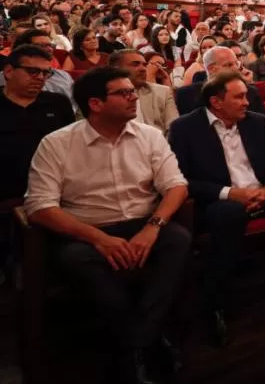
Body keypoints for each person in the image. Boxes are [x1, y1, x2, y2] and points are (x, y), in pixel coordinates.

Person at [24, 67, 190, 383]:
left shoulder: (149, 136)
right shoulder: (57, 143)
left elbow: (176, 186)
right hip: (86, 229)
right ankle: (146, 340)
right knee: (75, 258)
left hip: (142, 221)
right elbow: (39, 206)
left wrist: (153, 227)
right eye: (124, 93)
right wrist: (99, 238)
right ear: (96, 104)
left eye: (133, 91)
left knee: (177, 239)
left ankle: (135, 343)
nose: (133, 97)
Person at [169, 71, 265, 346]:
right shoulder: (185, 128)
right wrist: (231, 193)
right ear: (216, 102)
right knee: (228, 214)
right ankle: (215, 302)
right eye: (239, 97)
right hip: (221, 200)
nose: (246, 102)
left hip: (262, 193)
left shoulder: (256, 122)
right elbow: (181, 178)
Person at [0, 45, 75, 202]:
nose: (40, 77)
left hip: (53, 192)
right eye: (33, 71)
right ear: (9, 71)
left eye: (46, 73)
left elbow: (72, 147)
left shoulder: (58, 103)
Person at [176, 47, 265, 116]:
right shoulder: (186, 95)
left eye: (236, 64)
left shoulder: (251, 93)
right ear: (211, 69)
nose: (235, 69)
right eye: (228, 65)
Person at [110, 50, 178, 136]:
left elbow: (174, 128)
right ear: (116, 69)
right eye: (135, 64)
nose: (143, 69)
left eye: (144, 65)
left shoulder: (163, 92)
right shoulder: (106, 97)